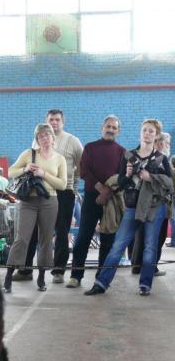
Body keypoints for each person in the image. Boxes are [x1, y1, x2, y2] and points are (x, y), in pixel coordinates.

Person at [85, 119, 173, 297]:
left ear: (156, 136)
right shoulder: (128, 156)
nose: (147, 134)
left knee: (150, 247)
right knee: (118, 246)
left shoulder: (161, 159)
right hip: (132, 207)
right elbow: (121, 184)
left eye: (151, 131)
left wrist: (151, 178)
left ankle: (145, 285)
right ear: (140, 133)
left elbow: (170, 184)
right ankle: (101, 283)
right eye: (145, 130)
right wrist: (126, 174)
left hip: (154, 208)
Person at [13, 109, 83, 284]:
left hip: (64, 192)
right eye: (51, 119)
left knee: (61, 231)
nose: (54, 122)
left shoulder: (73, 142)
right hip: (39, 193)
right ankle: (25, 270)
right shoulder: (37, 142)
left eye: (57, 119)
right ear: (46, 121)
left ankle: (58, 270)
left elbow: (81, 167)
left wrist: (72, 186)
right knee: (32, 232)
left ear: (63, 121)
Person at [3, 124, 67, 293]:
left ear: (53, 137)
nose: (44, 139)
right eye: (40, 136)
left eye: (47, 135)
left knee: (46, 239)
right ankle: (9, 275)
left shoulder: (59, 159)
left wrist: (43, 174)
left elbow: (62, 184)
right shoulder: (28, 154)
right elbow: (10, 172)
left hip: (50, 200)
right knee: (22, 238)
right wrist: (25, 169)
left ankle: (41, 278)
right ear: (37, 140)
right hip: (28, 201)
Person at [66, 115, 126, 288]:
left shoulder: (122, 151)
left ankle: (101, 277)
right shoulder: (90, 148)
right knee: (84, 236)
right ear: (102, 128)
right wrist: (101, 189)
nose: (110, 130)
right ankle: (76, 275)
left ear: (118, 131)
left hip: (112, 200)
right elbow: (84, 171)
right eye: (108, 126)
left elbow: (122, 177)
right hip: (93, 197)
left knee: (108, 239)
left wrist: (109, 192)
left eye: (114, 127)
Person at [130, 131, 172, 274]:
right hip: (157, 204)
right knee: (157, 238)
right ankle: (150, 267)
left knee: (141, 235)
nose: (169, 146)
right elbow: (168, 184)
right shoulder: (161, 159)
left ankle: (137, 265)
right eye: (168, 143)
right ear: (160, 143)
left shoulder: (147, 158)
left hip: (144, 204)